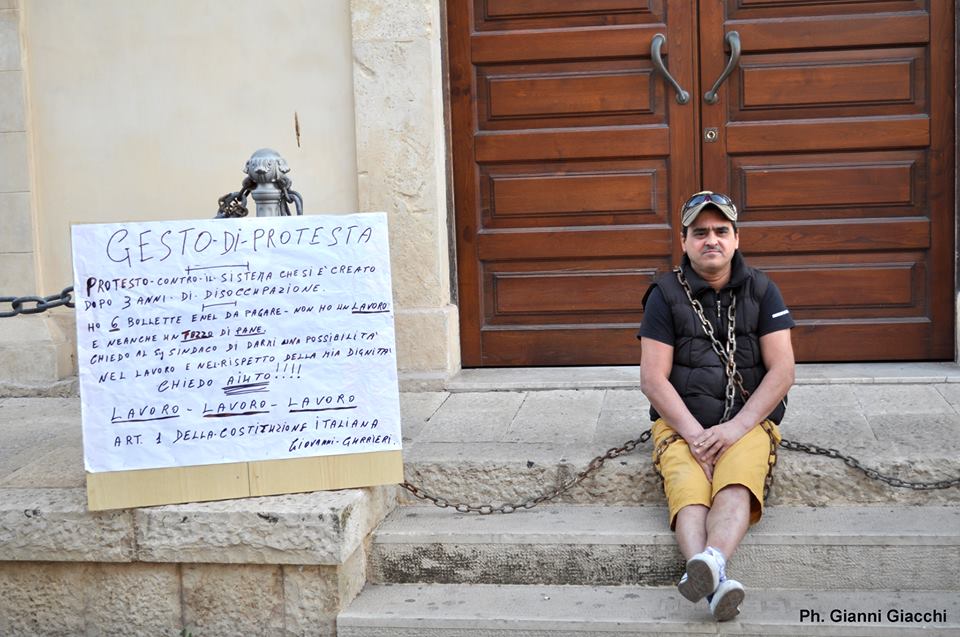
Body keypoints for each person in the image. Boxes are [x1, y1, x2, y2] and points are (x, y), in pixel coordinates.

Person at [638, 191, 795, 621]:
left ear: (736, 238)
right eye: (700, 232)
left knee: (736, 484)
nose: (712, 240)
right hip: (681, 425)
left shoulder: (763, 290)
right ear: (684, 241)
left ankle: (709, 570)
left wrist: (735, 427)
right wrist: (694, 436)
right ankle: (715, 575)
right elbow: (652, 378)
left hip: (746, 425)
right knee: (688, 487)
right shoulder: (664, 295)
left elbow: (782, 371)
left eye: (721, 231)